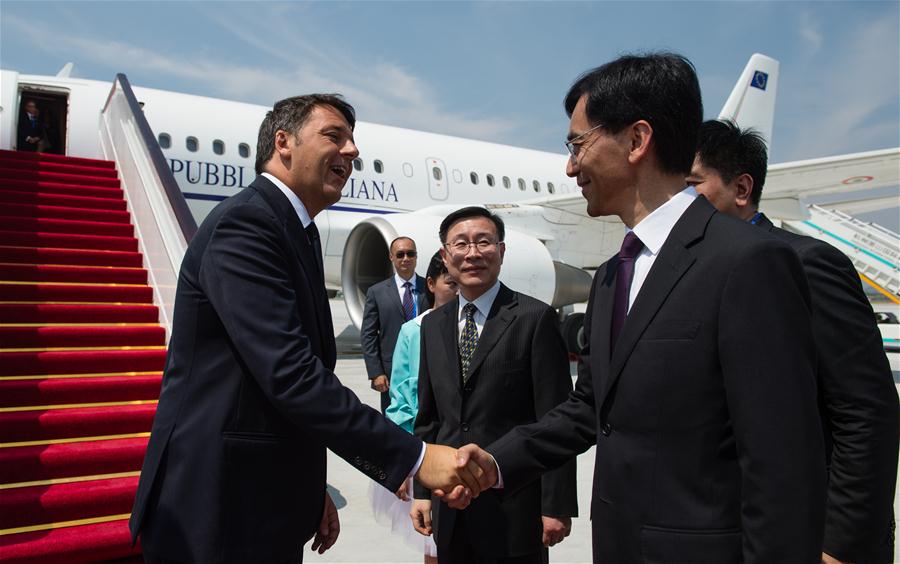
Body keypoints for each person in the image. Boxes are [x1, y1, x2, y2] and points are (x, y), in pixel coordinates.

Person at [459, 53, 826, 563]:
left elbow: (784, 464)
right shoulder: (612, 273)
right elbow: (590, 408)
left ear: (636, 140)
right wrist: (495, 462)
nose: (570, 166)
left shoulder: (749, 261)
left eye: (578, 143)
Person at [129, 94, 488, 564]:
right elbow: (291, 374)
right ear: (284, 143)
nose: (353, 152)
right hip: (217, 505)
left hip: (259, 494)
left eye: (352, 141)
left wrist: (305, 484)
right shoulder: (247, 223)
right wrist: (416, 458)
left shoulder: (295, 230)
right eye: (334, 137)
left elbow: (270, 390)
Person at [687, 119, 899, 564]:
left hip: (812, 535)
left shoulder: (806, 264)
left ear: (741, 189)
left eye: (692, 185)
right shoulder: (699, 272)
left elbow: (866, 411)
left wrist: (841, 544)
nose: (679, 202)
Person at [412, 206, 578, 564]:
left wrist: (556, 506)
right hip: (451, 509)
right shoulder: (432, 325)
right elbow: (429, 419)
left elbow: (558, 420)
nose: (472, 253)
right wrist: (423, 491)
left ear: (501, 252)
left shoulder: (535, 318)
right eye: (461, 244)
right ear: (445, 255)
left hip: (515, 511)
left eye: (484, 242)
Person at [370, 251, 456, 564]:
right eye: (450, 283)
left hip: (459, 443)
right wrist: (404, 459)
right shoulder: (414, 331)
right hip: (424, 445)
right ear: (431, 284)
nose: (457, 290)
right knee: (432, 541)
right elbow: (401, 400)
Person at [362, 236, 429, 412]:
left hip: (427, 366)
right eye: (400, 254)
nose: (405, 258)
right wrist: (376, 372)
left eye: (410, 253)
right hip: (392, 372)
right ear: (391, 257)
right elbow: (368, 335)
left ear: (416, 256)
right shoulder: (376, 292)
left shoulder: (430, 287)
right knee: (394, 419)